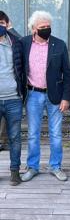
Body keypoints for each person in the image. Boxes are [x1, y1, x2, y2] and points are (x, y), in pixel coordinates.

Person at [21, 11, 70, 182]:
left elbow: (67, 72)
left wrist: (66, 98)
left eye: (48, 27)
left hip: (55, 96)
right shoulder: (24, 43)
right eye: (42, 27)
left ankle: (56, 166)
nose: (46, 29)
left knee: (56, 134)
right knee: (33, 133)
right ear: (33, 29)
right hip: (33, 94)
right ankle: (32, 167)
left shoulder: (59, 45)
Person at [0, 10, 23, 185]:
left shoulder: (15, 42)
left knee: (15, 137)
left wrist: (12, 29)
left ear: (7, 24)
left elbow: (25, 43)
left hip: (14, 98)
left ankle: (15, 171)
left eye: (1, 23)